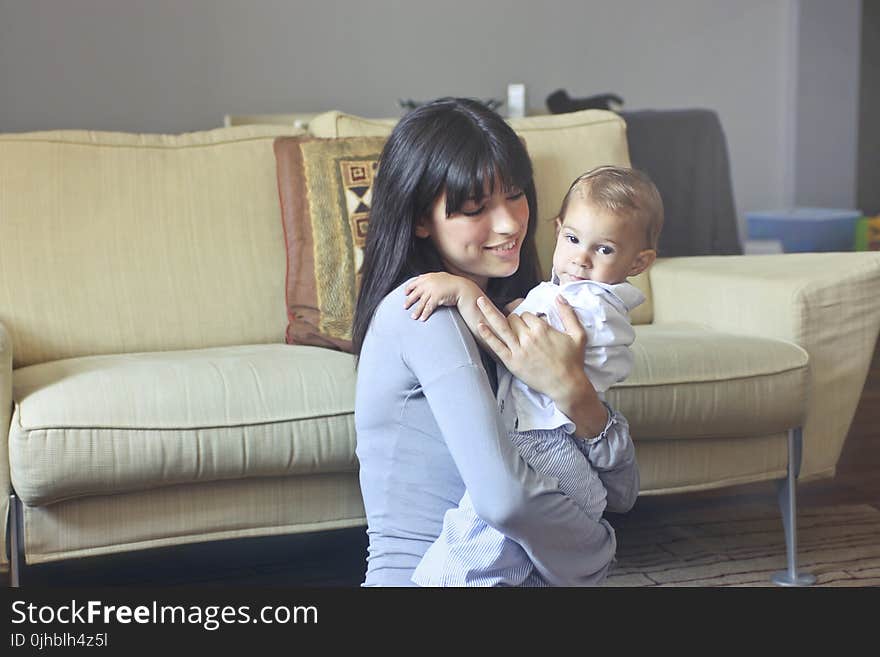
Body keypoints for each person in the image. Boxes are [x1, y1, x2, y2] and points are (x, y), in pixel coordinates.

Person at [352, 97, 640, 587]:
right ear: (422, 219)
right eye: (474, 209)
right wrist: (598, 551)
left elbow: (623, 491)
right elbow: (504, 499)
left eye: (514, 194)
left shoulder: (530, 314)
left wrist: (574, 392)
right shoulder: (422, 311)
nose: (508, 224)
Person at [403, 166, 664, 586]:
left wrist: (465, 292)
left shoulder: (589, 302)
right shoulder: (568, 294)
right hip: (558, 443)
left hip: (543, 442)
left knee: (473, 544)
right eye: (574, 239)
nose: (581, 258)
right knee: (520, 565)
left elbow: (513, 347)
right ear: (558, 230)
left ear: (639, 262)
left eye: (605, 250)